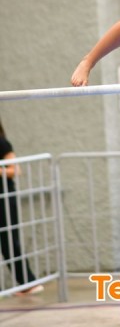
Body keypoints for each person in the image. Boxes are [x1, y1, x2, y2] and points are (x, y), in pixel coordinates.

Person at [0, 119, 43, 294]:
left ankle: (28, 282)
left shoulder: (2, 143)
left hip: (4, 197)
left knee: (9, 241)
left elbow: (15, 170)